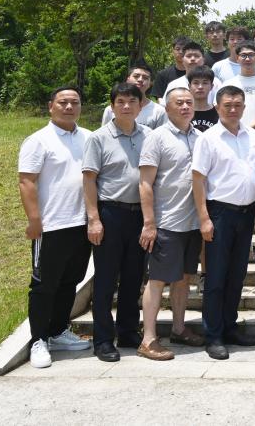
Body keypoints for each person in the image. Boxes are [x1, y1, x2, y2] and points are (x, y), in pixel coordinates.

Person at [19, 87, 93, 369]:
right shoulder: (39, 140)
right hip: (51, 225)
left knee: (70, 281)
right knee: (43, 285)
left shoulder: (89, 137)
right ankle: (38, 340)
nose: (69, 107)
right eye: (63, 102)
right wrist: (34, 220)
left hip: (81, 223)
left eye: (75, 102)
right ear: (51, 106)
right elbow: (26, 181)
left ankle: (59, 331)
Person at [191, 86, 255, 360]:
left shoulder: (253, 136)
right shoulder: (208, 139)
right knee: (216, 276)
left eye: (237, 105)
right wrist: (204, 217)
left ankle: (230, 326)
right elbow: (198, 179)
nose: (233, 110)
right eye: (227, 105)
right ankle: (213, 334)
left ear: (244, 108)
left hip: (246, 213)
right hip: (219, 213)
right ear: (217, 107)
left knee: (236, 275)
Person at [136, 88, 206, 360]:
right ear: (167, 108)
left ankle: (178, 328)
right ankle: (148, 339)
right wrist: (149, 222)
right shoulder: (157, 138)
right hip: (166, 222)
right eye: (179, 103)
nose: (186, 107)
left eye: (189, 102)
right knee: (157, 280)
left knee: (184, 278)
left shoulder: (200, 137)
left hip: (192, 222)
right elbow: (145, 182)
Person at [83, 82, 149, 362]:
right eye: (120, 101)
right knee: (106, 280)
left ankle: (128, 331)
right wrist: (93, 219)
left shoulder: (149, 135)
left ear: (140, 106)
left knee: (134, 277)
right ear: (112, 106)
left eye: (132, 101)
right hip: (110, 213)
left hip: (140, 214)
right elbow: (89, 179)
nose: (126, 106)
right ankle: (102, 339)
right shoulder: (98, 138)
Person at [216, 40, 255, 130]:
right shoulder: (228, 84)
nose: (247, 59)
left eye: (251, 55)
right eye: (243, 55)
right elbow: (222, 111)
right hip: (233, 133)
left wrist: (248, 130)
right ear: (237, 58)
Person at [103, 63, 168, 130]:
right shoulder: (111, 110)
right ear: (128, 79)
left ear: (150, 83)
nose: (140, 80)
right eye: (136, 76)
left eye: (145, 78)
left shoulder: (159, 111)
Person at [160, 41, 212, 107]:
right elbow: (165, 108)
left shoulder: (215, 83)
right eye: (189, 56)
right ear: (182, 60)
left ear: (203, 60)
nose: (192, 59)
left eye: (196, 56)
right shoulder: (174, 85)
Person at [189, 66, 219, 133]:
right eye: (196, 83)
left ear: (211, 86)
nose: (200, 87)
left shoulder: (219, 113)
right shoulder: (184, 112)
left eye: (205, 83)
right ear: (189, 86)